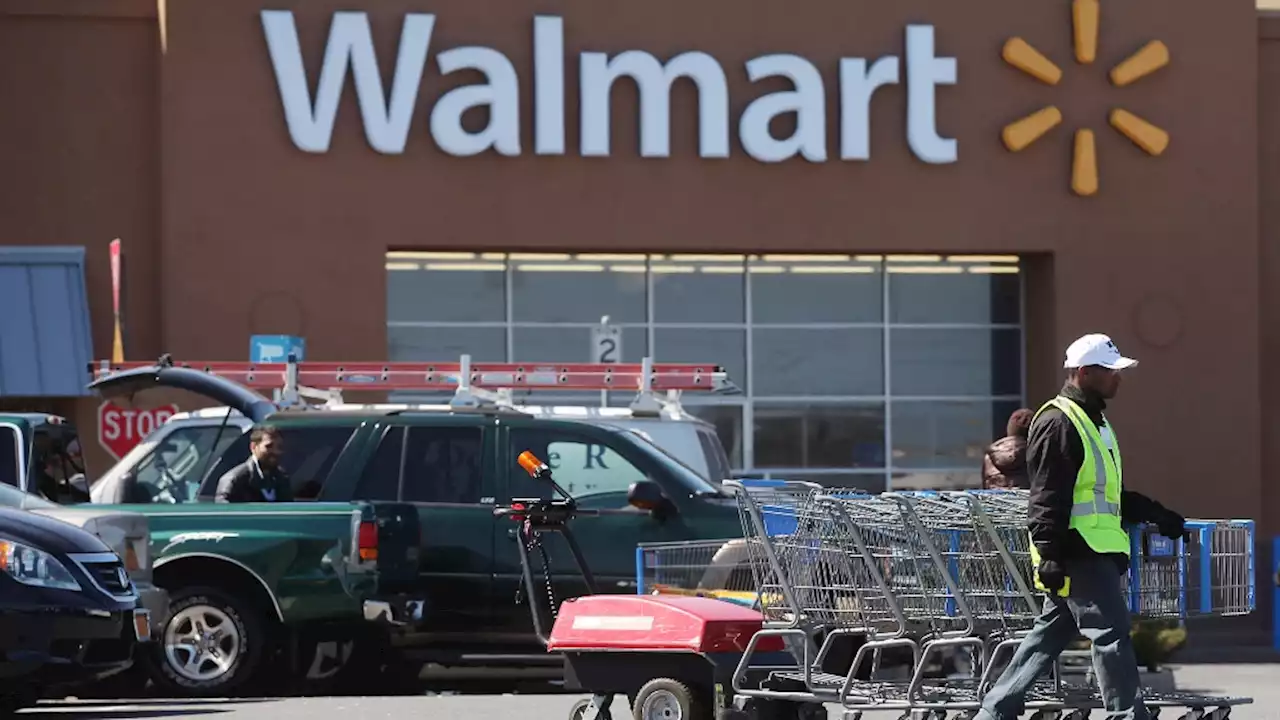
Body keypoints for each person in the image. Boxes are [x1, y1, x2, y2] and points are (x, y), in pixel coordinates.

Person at [974, 333, 1187, 720]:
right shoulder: (1059, 422)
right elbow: (1047, 496)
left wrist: (1157, 512)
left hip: (1094, 548)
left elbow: (1107, 492)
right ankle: (1127, 714)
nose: (1118, 379)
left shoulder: (1096, 422)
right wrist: (1050, 554)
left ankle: (995, 710)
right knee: (1110, 634)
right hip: (1078, 550)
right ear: (1085, 372)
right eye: (1111, 372)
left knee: (1049, 634)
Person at [215, 425, 292, 503]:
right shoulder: (235, 480)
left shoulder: (282, 479)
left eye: (279, 447)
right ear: (253, 447)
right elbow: (225, 513)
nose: (275, 452)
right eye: (269, 446)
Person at [982, 408, 1033, 489]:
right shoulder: (1036, 453)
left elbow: (985, 487)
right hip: (1025, 500)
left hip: (994, 500)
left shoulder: (990, 456)